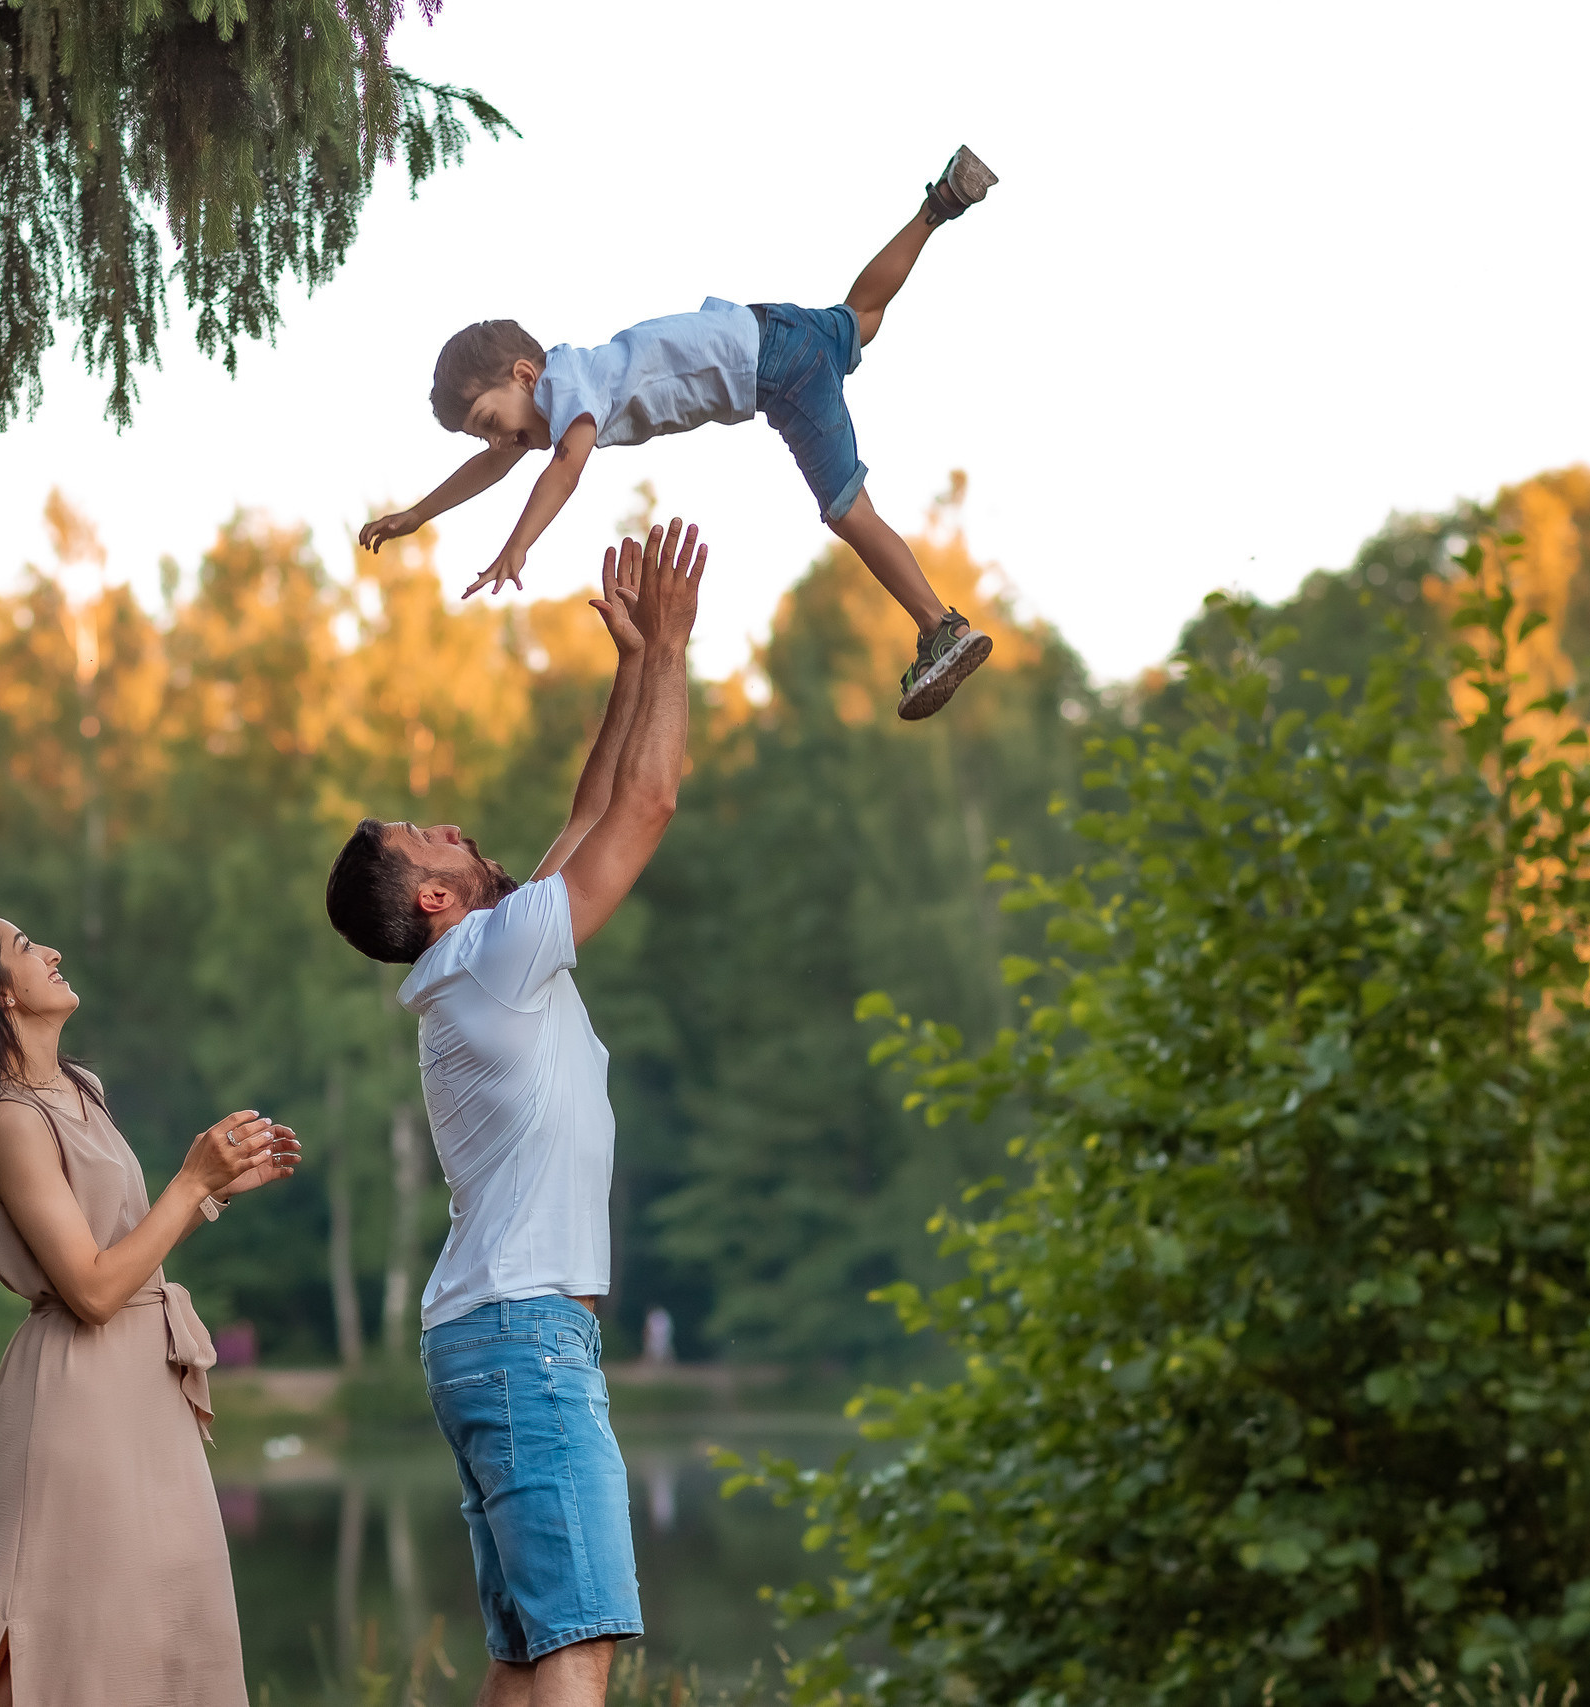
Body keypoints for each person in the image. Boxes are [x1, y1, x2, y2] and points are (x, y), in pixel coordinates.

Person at [322, 517, 705, 1707]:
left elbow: (589, 810)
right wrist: (681, 648)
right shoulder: (490, 955)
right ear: (433, 894)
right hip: (525, 1338)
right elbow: (642, 811)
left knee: (526, 1652)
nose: (455, 824)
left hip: (486, 1338)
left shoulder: (483, 961)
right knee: (575, 1647)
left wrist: (634, 666)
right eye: (429, 834)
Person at [361, 146, 1000, 722]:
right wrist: (419, 513)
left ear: (525, 376)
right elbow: (495, 468)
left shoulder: (569, 386)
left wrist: (516, 546)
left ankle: (938, 624)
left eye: (490, 424)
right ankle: (939, 205)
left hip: (773, 373)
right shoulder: (560, 385)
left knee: (847, 509)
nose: (498, 444)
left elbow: (565, 469)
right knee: (860, 317)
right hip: (770, 330)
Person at [0, 905, 300, 1707]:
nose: (48, 950)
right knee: (61, 1630)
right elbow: (89, 1287)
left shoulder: (82, 1087)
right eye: (22, 945)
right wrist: (190, 1181)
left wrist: (211, 1193)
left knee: (168, 1623)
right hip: (77, 1393)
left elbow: (121, 1246)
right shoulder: (8, 1121)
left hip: (145, 1379)